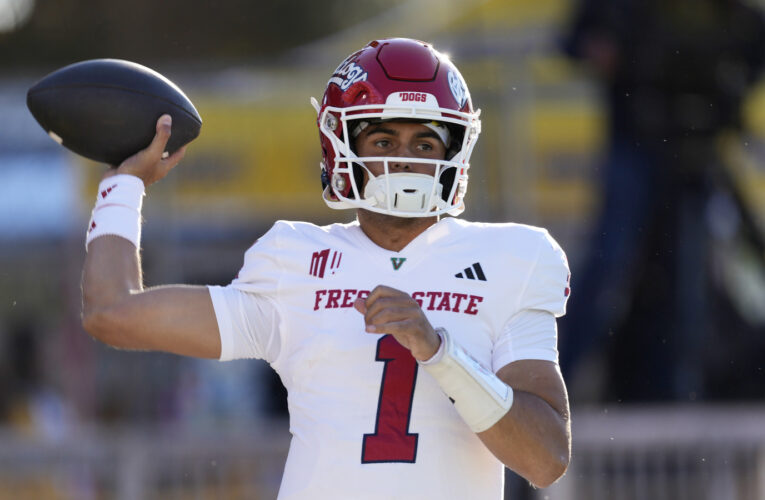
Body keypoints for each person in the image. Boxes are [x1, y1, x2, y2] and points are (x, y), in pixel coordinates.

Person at [82, 38, 572, 499]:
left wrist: (440, 352)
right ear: (342, 147)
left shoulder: (513, 258)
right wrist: (123, 187)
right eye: (383, 141)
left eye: (425, 145)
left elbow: (546, 458)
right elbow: (113, 312)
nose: (404, 162)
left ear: (455, 152)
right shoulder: (293, 260)